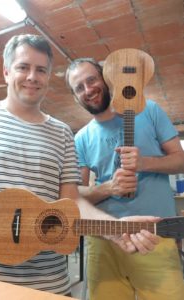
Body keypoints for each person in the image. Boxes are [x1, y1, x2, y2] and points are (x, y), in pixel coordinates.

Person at [0, 34, 159, 299]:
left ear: (48, 77)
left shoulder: (63, 133)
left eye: (41, 70)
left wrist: (117, 228)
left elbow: (72, 202)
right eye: (23, 67)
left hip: (48, 283)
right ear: (6, 72)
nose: (32, 76)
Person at [66, 57, 184, 300]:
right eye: (79, 87)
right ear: (75, 97)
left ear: (106, 78)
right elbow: (75, 195)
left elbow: (180, 160)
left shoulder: (148, 110)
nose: (88, 90)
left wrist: (144, 163)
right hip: (103, 239)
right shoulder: (81, 138)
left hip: (153, 235)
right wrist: (108, 188)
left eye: (92, 80)